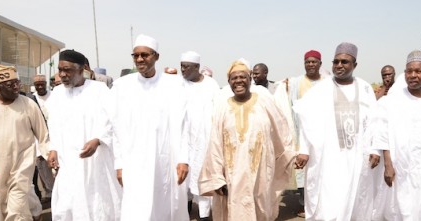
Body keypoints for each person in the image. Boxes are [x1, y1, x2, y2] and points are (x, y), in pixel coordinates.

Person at [198, 60, 296, 221]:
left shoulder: (265, 102)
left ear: (250, 79)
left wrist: (289, 154)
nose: (238, 81)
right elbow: (214, 146)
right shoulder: (222, 108)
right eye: (233, 78)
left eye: (242, 77)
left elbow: (281, 129)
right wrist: (217, 178)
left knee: (260, 210)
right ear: (229, 82)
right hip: (231, 178)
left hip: (261, 175)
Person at [293, 42, 378, 220]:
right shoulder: (320, 90)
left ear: (355, 65)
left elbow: (373, 121)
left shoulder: (364, 88)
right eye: (336, 62)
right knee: (329, 201)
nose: (339, 65)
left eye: (344, 62)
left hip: (357, 156)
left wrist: (374, 148)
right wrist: (304, 150)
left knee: (356, 199)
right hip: (327, 158)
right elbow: (306, 122)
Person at [111, 34, 189, 221]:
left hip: (165, 161)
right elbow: (115, 128)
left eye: (145, 55)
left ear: (156, 56)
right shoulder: (122, 86)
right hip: (133, 161)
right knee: (136, 208)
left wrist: (183, 159)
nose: (139, 59)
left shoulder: (174, 84)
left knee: (165, 205)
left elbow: (183, 124)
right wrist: (119, 163)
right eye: (135, 55)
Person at [371, 50, 421, 220]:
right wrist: (388, 165)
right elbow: (382, 134)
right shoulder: (391, 102)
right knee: (404, 208)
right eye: (409, 71)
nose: (413, 75)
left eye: (418, 71)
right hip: (402, 169)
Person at [46, 50, 121, 221]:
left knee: (96, 203)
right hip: (68, 161)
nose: (63, 75)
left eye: (68, 70)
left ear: (82, 70)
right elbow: (54, 125)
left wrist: (97, 140)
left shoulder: (99, 90)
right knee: (67, 205)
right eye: (60, 70)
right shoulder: (57, 94)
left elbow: (111, 120)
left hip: (94, 160)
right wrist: (53, 148)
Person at [0, 64, 49, 221]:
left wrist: (50, 156)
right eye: (10, 84)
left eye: (17, 82)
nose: (15, 87)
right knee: (9, 202)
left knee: (16, 208)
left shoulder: (29, 105)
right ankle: (35, 210)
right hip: (0, 165)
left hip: (23, 165)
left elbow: (43, 135)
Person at [275, 49, 325, 217]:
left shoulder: (328, 82)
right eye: (307, 62)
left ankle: (322, 203)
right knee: (303, 171)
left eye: (314, 61)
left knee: (322, 169)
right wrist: (285, 86)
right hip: (300, 132)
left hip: (323, 134)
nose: (310, 64)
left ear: (320, 64)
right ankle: (305, 205)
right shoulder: (295, 82)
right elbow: (283, 98)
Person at [180, 51, 219, 220]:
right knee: (183, 177)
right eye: (181, 66)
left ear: (197, 67)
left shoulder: (211, 84)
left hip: (205, 139)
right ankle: (185, 210)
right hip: (183, 138)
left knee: (202, 175)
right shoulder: (178, 85)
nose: (183, 70)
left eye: (186, 67)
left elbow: (218, 110)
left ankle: (204, 215)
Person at [32, 74, 55, 202]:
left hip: (54, 135)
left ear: (46, 83)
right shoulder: (32, 98)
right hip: (39, 137)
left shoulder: (54, 96)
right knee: (42, 165)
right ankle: (49, 190)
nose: (40, 86)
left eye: (42, 84)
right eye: (37, 85)